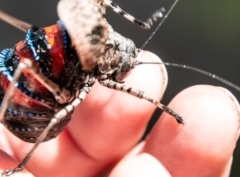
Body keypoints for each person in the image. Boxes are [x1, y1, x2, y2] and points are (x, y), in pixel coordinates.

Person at [0, 51, 239, 176]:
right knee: (54, 115)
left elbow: (135, 91)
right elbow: (136, 93)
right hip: (37, 89)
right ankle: (21, 163)